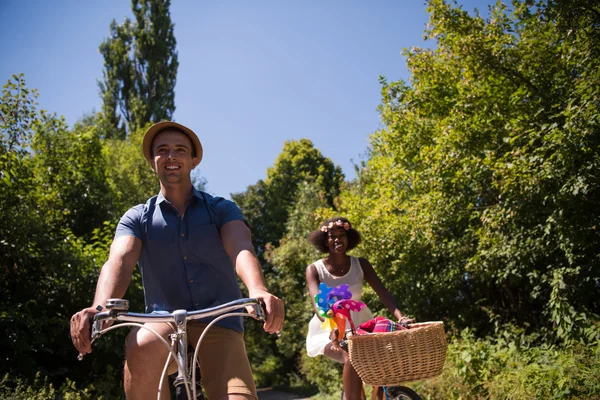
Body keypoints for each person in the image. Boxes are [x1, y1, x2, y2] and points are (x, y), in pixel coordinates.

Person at [70, 121, 284, 400]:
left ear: (194, 161)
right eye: (162, 150)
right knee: (140, 343)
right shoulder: (137, 218)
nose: (171, 156)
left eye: (180, 150)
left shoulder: (221, 209)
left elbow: (241, 248)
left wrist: (258, 290)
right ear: (152, 162)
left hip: (219, 318)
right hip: (163, 321)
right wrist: (98, 307)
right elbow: (118, 262)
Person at [305, 217, 412, 400]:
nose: (338, 240)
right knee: (350, 357)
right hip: (329, 327)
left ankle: (384, 394)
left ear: (349, 238)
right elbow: (318, 304)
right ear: (325, 241)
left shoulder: (360, 264)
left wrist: (401, 317)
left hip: (360, 325)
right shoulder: (315, 269)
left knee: (382, 355)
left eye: (342, 235)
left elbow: (383, 293)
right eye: (332, 236)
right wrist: (333, 327)